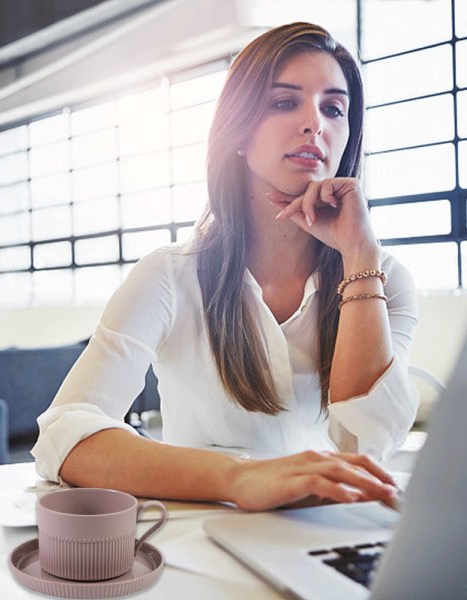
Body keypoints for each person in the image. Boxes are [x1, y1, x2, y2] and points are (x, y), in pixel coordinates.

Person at [32, 22, 418, 511]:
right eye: (284, 102)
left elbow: (369, 444)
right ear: (238, 130)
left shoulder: (385, 277)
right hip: (204, 538)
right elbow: (63, 436)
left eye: (333, 108)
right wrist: (240, 478)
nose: (314, 124)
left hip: (331, 535)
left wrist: (360, 257)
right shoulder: (170, 275)